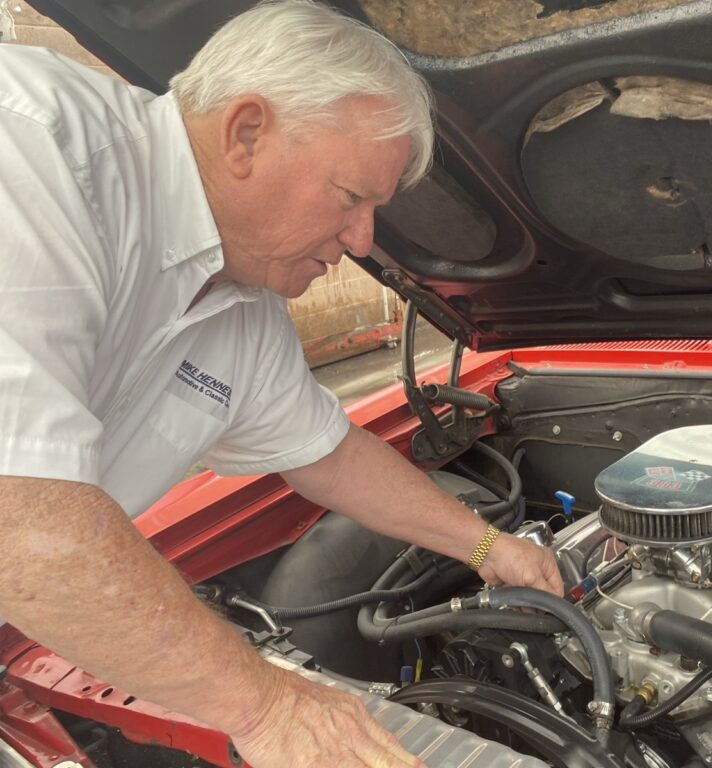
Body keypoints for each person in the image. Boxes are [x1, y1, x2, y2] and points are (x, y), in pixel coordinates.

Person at [0, 2, 563, 766]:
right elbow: (22, 520)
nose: (364, 240)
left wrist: (492, 546)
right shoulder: (31, 152)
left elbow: (326, 452)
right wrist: (269, 706)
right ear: (246, 134)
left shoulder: (246, 309)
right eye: (350, 197)